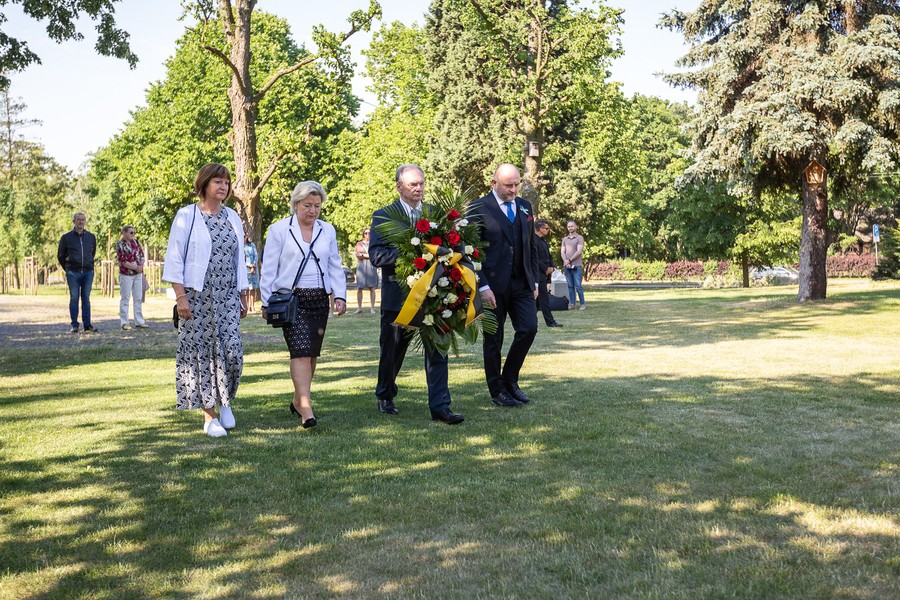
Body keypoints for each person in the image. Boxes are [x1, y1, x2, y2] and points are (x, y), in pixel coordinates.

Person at [369, 164, 464, 424]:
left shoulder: (436, 214)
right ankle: (386, 393)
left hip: (435, 294)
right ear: (399, 186)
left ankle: (441, 407)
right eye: (413, 184)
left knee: (437, 349)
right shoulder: (383, 215)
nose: (419, 188)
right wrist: (415, 255)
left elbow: (451, 244)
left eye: (421, 183)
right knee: (393, 349)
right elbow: (377, 255)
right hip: (398, 296)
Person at [162, 163, 249, 438]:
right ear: (204, 185)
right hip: (197, 297)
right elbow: (175, 258)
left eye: (226, 182)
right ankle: (209, 416)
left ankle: (226, 402)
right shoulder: (187, 216)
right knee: (203, 355)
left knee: (232, 352)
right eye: (217, 182)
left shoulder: (233, 217)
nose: (223, 187)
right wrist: (180, 297)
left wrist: (243, 294)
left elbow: (239, 259)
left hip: (227, 296)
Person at [260, 181, 347, 429]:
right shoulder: (278, 230)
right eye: (307, 205)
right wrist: (266, 300)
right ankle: (306, 408)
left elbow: (334, 263)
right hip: (291, 298)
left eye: (317, 206)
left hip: (319, 297)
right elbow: (269, 268)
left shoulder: (327, 230)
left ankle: (299, 399)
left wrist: (338, 295)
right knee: (299, 350)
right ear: (296, 204)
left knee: (311, 354)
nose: (313, 210)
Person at [469, 163, 539, 408]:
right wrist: (482, 286)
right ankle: (497, 390)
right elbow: (471, 253)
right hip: (492, 287)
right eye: (508, 185)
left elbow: (531, 246)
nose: (514, 190)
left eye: (517, 184)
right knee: (493, 340)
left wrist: (535, 280)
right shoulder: (478, 208)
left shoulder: (524, 207)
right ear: (494, 183)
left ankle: (510, 379)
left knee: (529, 329)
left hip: (522, 284)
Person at [58, 212, 98, 333]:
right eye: (78, 219)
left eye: (83, 219)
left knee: (86, 298)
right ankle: (75, 325)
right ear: (74, 221)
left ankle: (87, 325)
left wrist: (88, 264)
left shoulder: (91, 237)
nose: (81, 222)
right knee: (74, 298)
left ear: (85, 221)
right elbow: (60, 255)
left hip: (87, 272)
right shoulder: (66, 237)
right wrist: (68, 268)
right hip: (73, 272)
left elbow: (92, 253)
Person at [115, 224, 148, 330]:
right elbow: (122, 261)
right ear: (124, 233)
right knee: (125, 298)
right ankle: (124, 322)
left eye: (134, 232)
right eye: (131, 232)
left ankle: (139, 321)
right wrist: (135, 267)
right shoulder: (120, 244)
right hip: (126, 274)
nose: (133, 234)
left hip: (138, 274)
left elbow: (141, 255)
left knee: (138, 298)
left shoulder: (136, 242)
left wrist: (141, 265)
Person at [534, 220, 563, 328]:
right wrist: (545, 268)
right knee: (543, 299)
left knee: (538, 301)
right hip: (538, 274)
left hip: (545, 273)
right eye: (546, 228)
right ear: (540, 229)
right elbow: (534, 258)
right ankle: (550, 322)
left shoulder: (543, 241)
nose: (548, 230)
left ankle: (531, 320)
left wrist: (551, 267)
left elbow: (548, 256)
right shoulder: (533, 241)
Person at [561, 219, 586, 310]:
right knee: (570, 286)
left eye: (572, 226)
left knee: (578, 286)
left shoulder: (580, 238)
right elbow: (562, 252)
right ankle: (572, 303)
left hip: (576, 265)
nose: (570, 228)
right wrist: (565, 261)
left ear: (576, 227)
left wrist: (569, 260)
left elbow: (579, 251)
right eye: (568, 226)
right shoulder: (565, 239)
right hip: (567, 266)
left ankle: (582, 304)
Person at [354, 227, 378, 314]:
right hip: (361, 267)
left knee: (372, 288)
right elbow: (358, 255)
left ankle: (372, 308)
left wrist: (364, 254)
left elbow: (374, 255)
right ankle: (359, 307)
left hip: (371, 266)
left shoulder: (374, 243)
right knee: (359, 287)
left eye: (369, 233)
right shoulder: (359, 244)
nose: (368, 235)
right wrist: (367, 255)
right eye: (366, 233)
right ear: (363, 234)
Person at [244, 232, 259, 313]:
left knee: (253, 288)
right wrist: (249, 265)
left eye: (245, 236)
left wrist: (253, 265)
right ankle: (246, 306)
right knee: (246, 289)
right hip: (245, 269)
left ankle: (252, 306)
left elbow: (256, 255)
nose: (244, 237)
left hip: (254, 269)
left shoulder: (252, 245)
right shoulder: (240, 246)